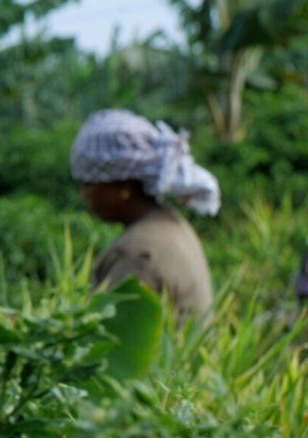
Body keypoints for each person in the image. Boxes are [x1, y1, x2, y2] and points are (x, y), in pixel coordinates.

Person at [70, 108, 220, 319]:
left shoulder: (136, 255)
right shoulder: (171, 222)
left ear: (124, 186)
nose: (83, 193)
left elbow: (113, 342)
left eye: (89, 183)